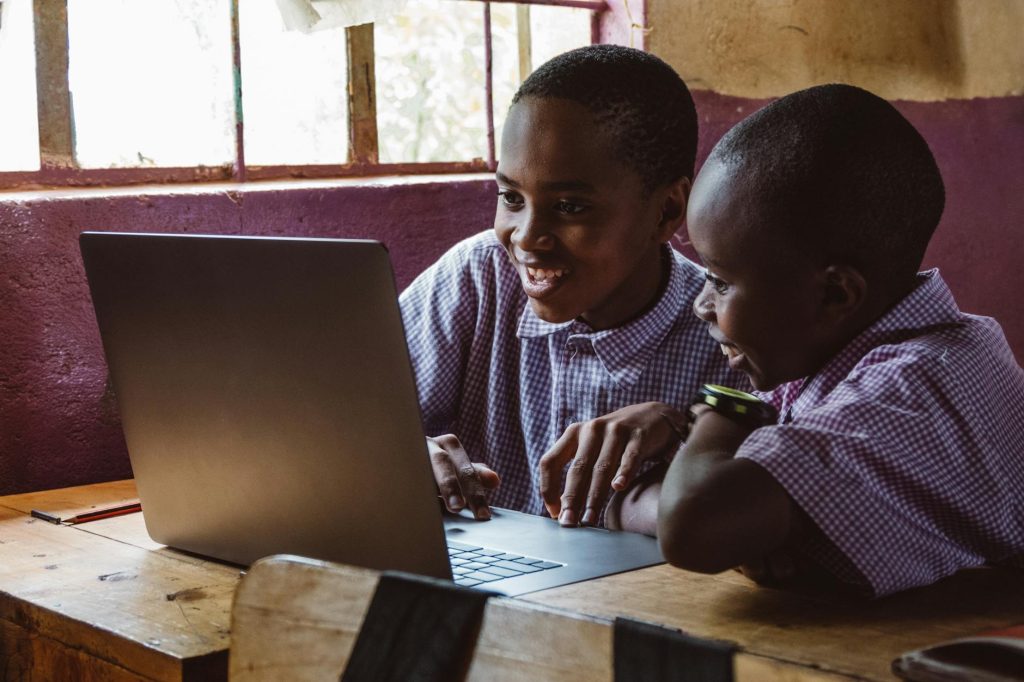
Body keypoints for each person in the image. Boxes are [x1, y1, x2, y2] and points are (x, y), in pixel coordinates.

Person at [646, 83, 1024, 597]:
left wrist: (722, 410)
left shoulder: (911, 387)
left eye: (721, 280)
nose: (701, 304)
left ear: (834, 294)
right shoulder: (893, 350)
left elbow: (693, 526)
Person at [399, 45, 741, 525]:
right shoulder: (478, 279)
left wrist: (687, 430)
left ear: (665, 211)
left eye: (571, 207)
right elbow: (342, 418)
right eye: (510, 197)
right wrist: (407, 456)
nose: (526, 237)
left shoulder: (731, 331)